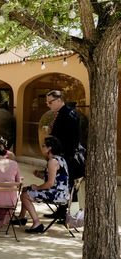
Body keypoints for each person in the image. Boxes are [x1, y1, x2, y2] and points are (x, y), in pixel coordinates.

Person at [11, 135, 69, 234]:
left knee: (25, 195)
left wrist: (37, 187)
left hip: (57, 194)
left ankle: (37, 223)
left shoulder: (52, 161)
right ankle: (21, 217)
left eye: (43, 146)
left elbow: (50, 183)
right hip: (60, 192)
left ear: (49, 148)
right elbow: (55, 178)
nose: (41, 148)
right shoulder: (60, 159)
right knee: (25, 189)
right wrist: (40, 174)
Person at [45, 90, 84, 222]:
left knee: (71, 187)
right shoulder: (62, 114)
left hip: (69, 157)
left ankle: (72, 216)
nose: (48, 105)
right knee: (63, 184)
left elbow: (72, 139)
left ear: (59, 100)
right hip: (64, 156)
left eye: (50, 102)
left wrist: (61, 156)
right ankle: (62, 212)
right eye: (47, 102)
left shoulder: (69, 114)